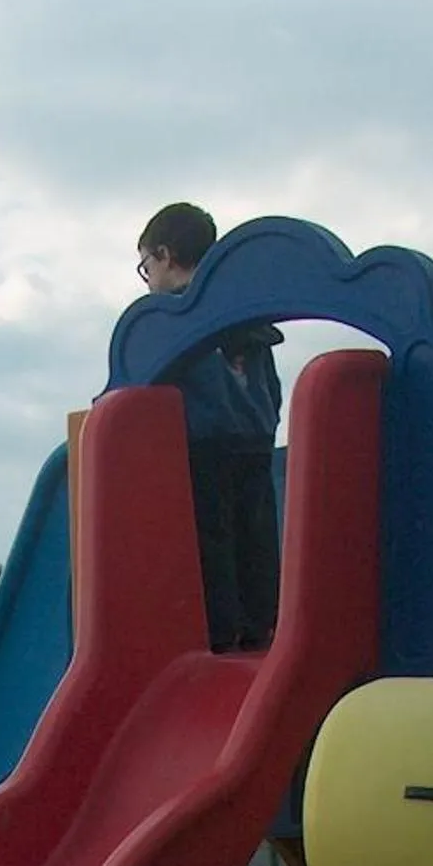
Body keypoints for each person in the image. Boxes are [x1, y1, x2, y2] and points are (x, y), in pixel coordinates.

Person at [136, 201, 283, 653]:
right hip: (255, 438)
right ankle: (261, 624)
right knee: (257, 536)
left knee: (210, 541)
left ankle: (220, 633)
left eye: (146, 266)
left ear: (165, 255)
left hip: (203, 439)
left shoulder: (167, 316)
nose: (148, 279)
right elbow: (272, 386)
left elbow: (143, 384)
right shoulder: (243, 311)